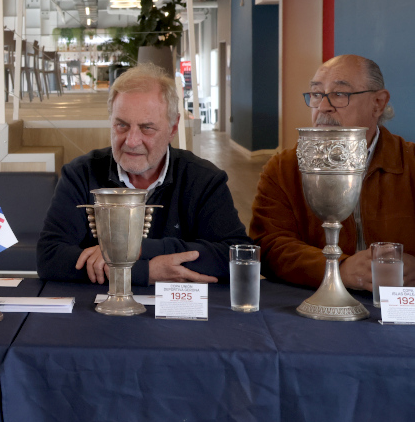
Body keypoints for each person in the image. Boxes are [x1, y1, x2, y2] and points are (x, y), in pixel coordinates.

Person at [37, 63, 251, 286]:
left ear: (173, 128)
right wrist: (143, 272)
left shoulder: (203, 179)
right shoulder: (80, 174)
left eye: (147, 128)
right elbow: (49, 259)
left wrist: (138, 250)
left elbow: (236, 256)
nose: (131, 141)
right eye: (121, 125)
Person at [249, 54, 415, 289]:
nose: (323, 107)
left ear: (378, 103)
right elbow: (268, 245)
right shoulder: (283, 168)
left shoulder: (410, 163)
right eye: (316, 94)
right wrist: (339, 269)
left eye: (340, 94)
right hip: (314, 304)